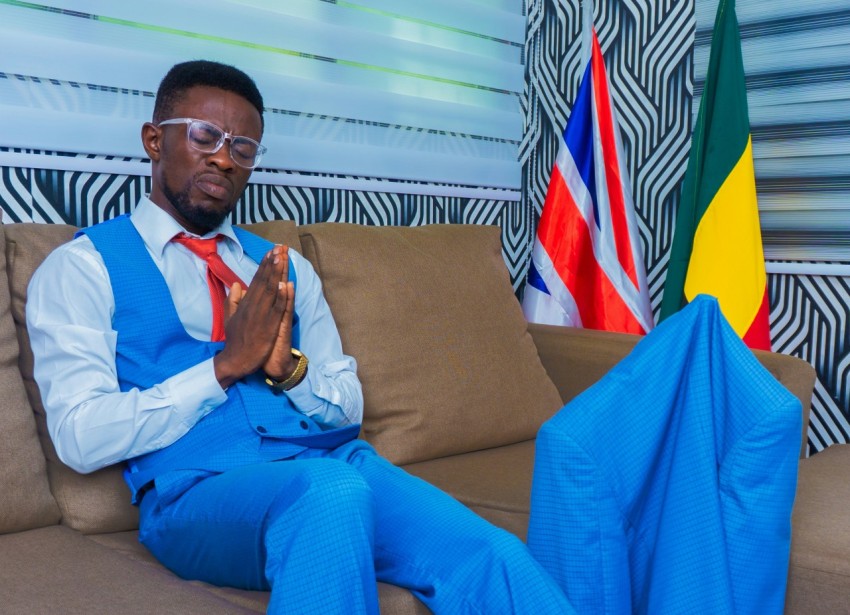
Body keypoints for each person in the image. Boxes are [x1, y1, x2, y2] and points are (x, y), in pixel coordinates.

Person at [26, 60, 574, 614]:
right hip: (197, 493)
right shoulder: (83, 268)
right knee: (328, 496)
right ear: (153, 139)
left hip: (338, 464)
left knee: (495, 556)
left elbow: (348, 408)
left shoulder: (285, 269)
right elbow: (79, 437)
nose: (223, 157)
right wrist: (224, 367)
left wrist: (287, 368)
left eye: (243, 148)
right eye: (205, 135)